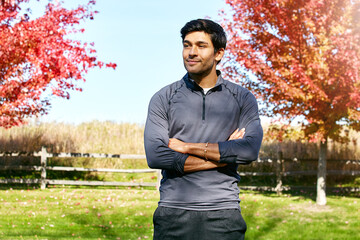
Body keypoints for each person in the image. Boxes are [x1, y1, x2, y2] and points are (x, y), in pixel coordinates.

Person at [144, 19, 263, 240]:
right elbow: (156, 156)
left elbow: (249, 150)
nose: (191, 52)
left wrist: (187, 146)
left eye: (201, 45)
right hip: (173, 213)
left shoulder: (242, 98)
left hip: (224, 214)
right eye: (187, 45)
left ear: (218, 53)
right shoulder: (164, 98)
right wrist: (226, 155)